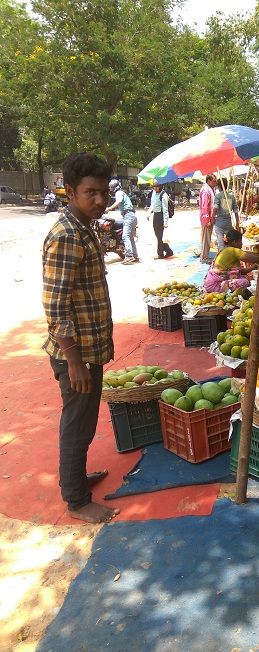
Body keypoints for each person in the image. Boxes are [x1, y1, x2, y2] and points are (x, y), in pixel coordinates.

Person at [42, 152, 119, 523]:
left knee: (85, 421)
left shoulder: (84, 225)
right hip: (77, 353)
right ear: (70, 191)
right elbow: (55, 307)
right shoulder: (67, 235)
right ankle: (75, 499)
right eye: (91, 193)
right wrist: (73, 359)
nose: (100, 201)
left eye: (104, 193)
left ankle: (76, 478)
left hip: (89, 348)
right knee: (78, 422)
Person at [203, 228, 258, 293]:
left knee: (245, 277)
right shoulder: (232, 251)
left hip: (209, 284)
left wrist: (252, 267)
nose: (242, 244)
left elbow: (239, 272)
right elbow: (254, 258)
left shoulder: (225, 250)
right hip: (215, 286)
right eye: (240, 241)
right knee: (245, 282)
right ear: (234, 242)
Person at [105, 179, 139, 265]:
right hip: (131, 216)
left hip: (128, 215)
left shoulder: (119, 193)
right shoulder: (122, 193)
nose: (111, 189)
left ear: (115, 187)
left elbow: (119, 201)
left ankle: (129, 256)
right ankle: (134, 255)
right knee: (130, 237)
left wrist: (109, 208)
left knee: (125, 236)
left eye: (112, 188)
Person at [212, 177, 240, 253]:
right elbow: (236, 211)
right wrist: (237, 223)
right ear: (226, 185)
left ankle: (221, 258)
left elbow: (215, 209)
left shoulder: (218, 196)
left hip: (219, 224)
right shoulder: (231, 197)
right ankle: (230, 256)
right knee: (230, 243)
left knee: (221, 244)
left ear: (218, 186)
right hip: (228, 224)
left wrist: (212, 218)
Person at [147, 182, 173, 259]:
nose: (154, 188)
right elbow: (152, 204)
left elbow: (165, 210)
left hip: (160, 216)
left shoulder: (164, 195)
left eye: (156, 187)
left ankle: (160, 253)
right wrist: (149, 213)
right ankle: (168, 251)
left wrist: (165, 222)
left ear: (160, 187)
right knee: (158, 236)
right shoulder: (154, 193)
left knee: (159, 236)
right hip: (155, 215)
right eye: (154, 187)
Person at [199, 174, 217, 263]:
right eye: (214, 181)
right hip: (207, 218)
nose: (215, 183)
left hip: (210, 217)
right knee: (205, 238)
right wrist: (207, 220)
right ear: (209, 181)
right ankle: (204, 257)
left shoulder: (210, 189)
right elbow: (204, 207)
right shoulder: (206, 191)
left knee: (207, 238)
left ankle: (204, 255)